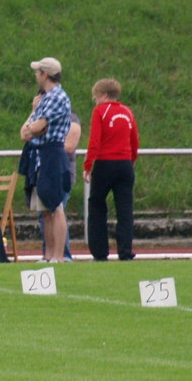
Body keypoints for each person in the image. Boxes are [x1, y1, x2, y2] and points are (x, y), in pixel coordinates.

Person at [19, 57, 72, 262]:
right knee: (44, 211)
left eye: (38, 72)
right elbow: (25, 133)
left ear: (46, 75)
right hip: (40, 155)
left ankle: (59, 256)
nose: (36, 76)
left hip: (52, 155)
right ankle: (48, 255)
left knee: (55, 206)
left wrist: (33, 127)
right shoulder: (44, 99)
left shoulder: (57, 97)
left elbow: (35, 127)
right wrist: (33, 114)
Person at [84, 78, 139, 262]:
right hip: (125, 164)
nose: (96, 101)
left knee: (97, 205)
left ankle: (100, 252)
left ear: (104, 95)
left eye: (96, 97)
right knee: (125, 209)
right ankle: (125, 251)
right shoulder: (127, 111)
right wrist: (131, 160)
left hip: (105, 162)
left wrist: (88, 165)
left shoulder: (100, 111)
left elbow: (95, 140)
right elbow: (134, 140)